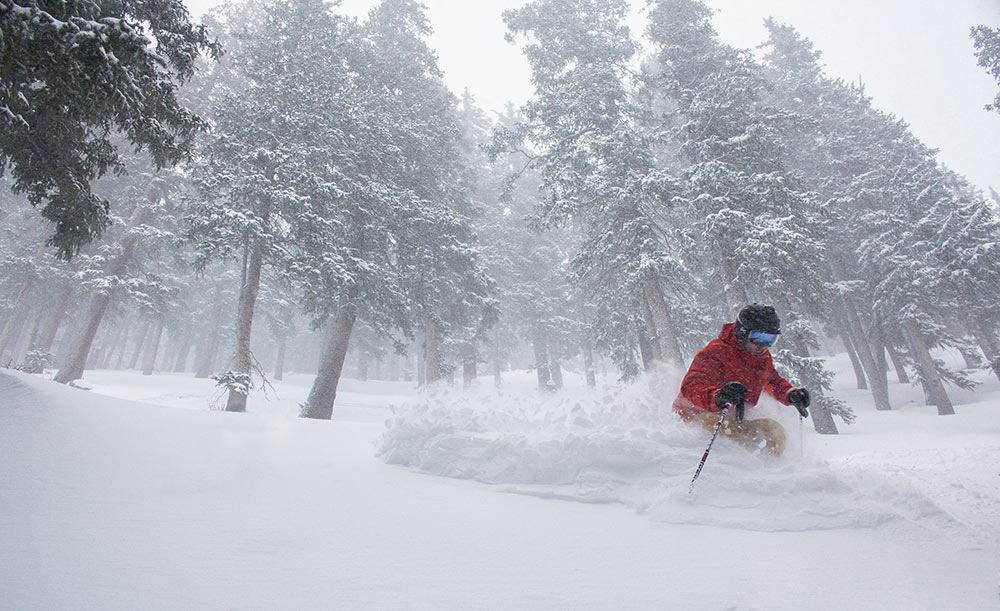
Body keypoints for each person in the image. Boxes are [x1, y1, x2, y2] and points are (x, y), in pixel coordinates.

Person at [672, 304, 811, 457]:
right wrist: (718, 396)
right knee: (735, 435)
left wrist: (789, 394)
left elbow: (771, 380)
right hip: (696, 416)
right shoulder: (717, 351)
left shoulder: (760, 356)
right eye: (758, 338)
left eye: (771, 339)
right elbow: (692, 386)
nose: (764, 346)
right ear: (743, 333)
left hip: (730, 418)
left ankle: (770, 470)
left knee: (774, 431)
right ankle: (738, 472)